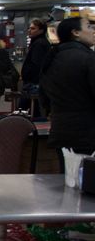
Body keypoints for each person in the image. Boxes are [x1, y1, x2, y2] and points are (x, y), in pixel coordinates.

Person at [40, 16, 95, 172]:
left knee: (68, 179)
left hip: (61, 130)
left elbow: (43, 94)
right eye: (89, 27)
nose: (93, 32)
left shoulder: (52, 57)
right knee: (85, 184)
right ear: (76, 32)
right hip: (87, 132)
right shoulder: (88, 58)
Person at [19, 19, 51, 116]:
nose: (29, 30)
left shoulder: (39, 44)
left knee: (25, 108)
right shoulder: (39, 42)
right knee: (33, 108)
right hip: (35, 81)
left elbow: (37, 64)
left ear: (41, 30)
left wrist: (28, 76)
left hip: (33, 83)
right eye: (29, 28)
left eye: (33, 28)